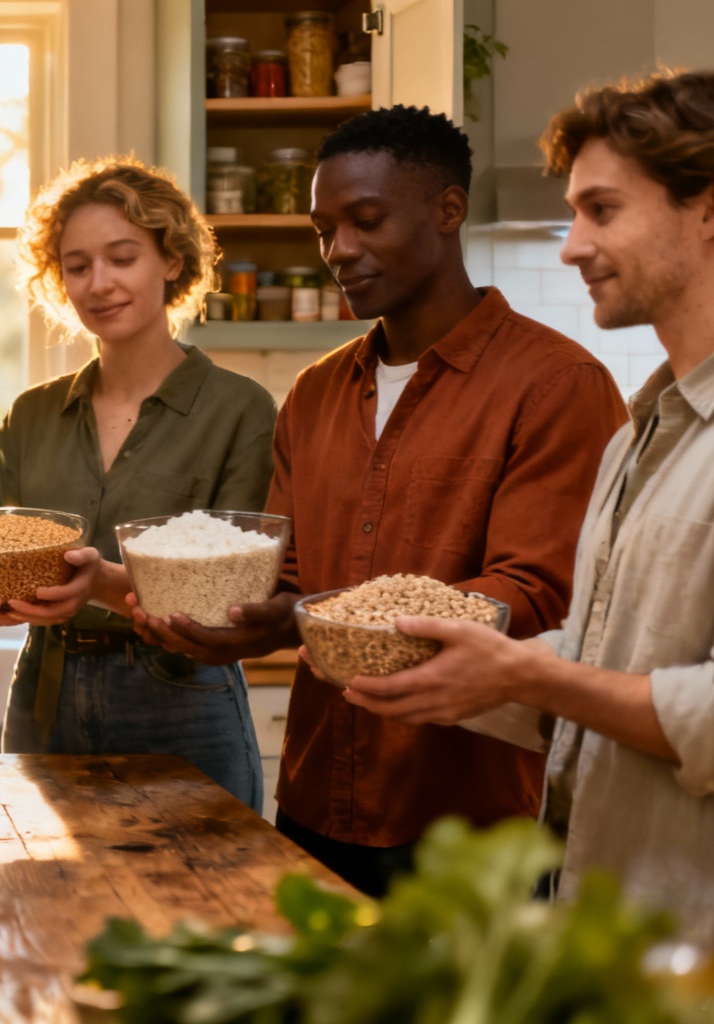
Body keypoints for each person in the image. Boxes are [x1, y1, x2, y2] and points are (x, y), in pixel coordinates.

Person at [133, 106, 629, 897]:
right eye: (324, 230)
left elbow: (538, 598)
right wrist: (249, 620)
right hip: (315, 799)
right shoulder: (316, 392)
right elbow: (291, 574)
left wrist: (315, 616)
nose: (339, 252)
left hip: (472, 823)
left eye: (366, 221)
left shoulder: (557, 386)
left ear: (448, 209)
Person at [341, 71, 714, 941]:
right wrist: (463, 677)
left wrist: (527, 673)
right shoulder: (641, 434)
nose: (572, 246)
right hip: (606, 931)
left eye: (603, 210)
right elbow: (601, 662)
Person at [0, 157, 275, 808]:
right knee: (49, 900)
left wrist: (99, 581)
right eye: (77, 265)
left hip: (181, 693)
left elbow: (231, 601)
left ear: (171, 260)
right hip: (47, 687)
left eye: (122, 258)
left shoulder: (241, 409)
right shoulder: (32, 413)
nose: (99, 284)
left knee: (202, 900)